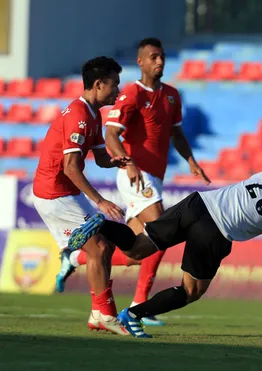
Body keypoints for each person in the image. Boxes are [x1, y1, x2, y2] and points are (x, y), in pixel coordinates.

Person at [66, 163, 262, 338]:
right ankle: (133, 315)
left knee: (137, 248)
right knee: (190, 291)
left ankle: (102, 225)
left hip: (197, 204)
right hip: (216, 231)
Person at [56, 37, 209, 326]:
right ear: (140, 62)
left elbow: (177, 135)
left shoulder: (173, 95)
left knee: (137, 251)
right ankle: (140, 306)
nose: (159, 61)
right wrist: (129, 163)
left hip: (156, 178)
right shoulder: (131, 95)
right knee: (161, 235)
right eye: (153, 57)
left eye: (162, 56)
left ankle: (73, 260)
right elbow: (112, 134)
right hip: (137, 175)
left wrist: (191, 162)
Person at [33, 56, 130, 335]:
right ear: (99, 84)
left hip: (64, 192)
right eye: (114, 85)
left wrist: (116, 161)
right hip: (54, 193)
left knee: (103, 248)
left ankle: (98, 311)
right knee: (99, 248)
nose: (118, 91)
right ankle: (106, 314)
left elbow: (100, 158)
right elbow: (70, 166)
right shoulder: (78, 115)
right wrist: (100, 201)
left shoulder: (92, 114)